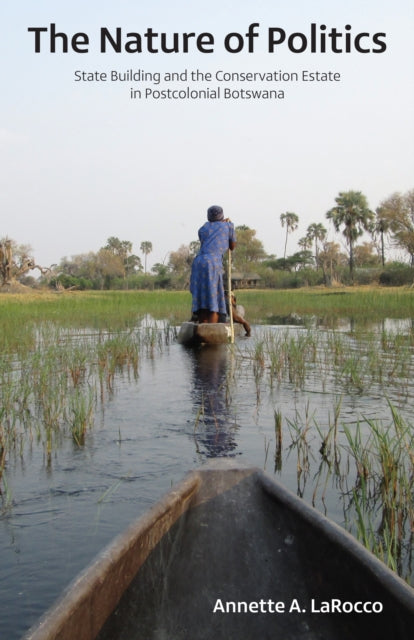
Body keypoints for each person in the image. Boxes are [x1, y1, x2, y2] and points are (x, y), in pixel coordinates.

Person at [190, 205, 236, 323]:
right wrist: (228, 225)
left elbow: (207, 242)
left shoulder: (203, 228)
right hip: (213, 263)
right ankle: (211, 329)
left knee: (203, 300)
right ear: (222, 216)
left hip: (198, 262)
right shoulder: (228, 226)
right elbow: (232, 246)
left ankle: (202, 325)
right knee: (213, 301)